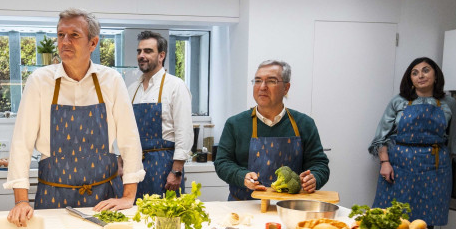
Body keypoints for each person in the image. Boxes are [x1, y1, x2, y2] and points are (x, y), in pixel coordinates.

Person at [5, 8, 144, 227]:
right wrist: (21, 200)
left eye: (74, 35)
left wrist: (128, 196)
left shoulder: (111, 80)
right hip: (53, 196)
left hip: (104, 197)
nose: (65, 41)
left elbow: (129, 140)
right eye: (61, 35)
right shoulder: (40, 81)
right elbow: (22, 143)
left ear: (93, 43)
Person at [214, 59, 330, 200]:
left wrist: (315, 178)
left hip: (290, 208)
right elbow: (222, 163)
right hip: (243, 207)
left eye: (271, 81)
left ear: (286, 88)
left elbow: (319, 164)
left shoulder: (305, 124)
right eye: (257, 81)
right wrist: (242, 176)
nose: (262, 87)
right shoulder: (235, 124)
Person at [370, 57, 456, 227]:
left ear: (436, 75)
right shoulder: (398, 101)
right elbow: (380, 137)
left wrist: (445, 172)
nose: (420, 76)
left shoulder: (450, 103)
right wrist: (384, 163)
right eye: (414, 73)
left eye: (425, 70)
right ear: (410, 79)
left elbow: (451, 140)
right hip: (400, 167)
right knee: (392, 219)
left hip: (434, 169)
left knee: (424, 224)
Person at [127, 30, 193, 198]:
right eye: (139, 51)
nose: (142, 55)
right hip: (135, 167)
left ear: (161, 55)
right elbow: (126, 130)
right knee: (135, 216)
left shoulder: (176, 86)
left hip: (164, 164)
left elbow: (183, 131)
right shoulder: (132, 89)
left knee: (165, 219)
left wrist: (176, 171)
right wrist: (121, 161)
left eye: (148, 51)